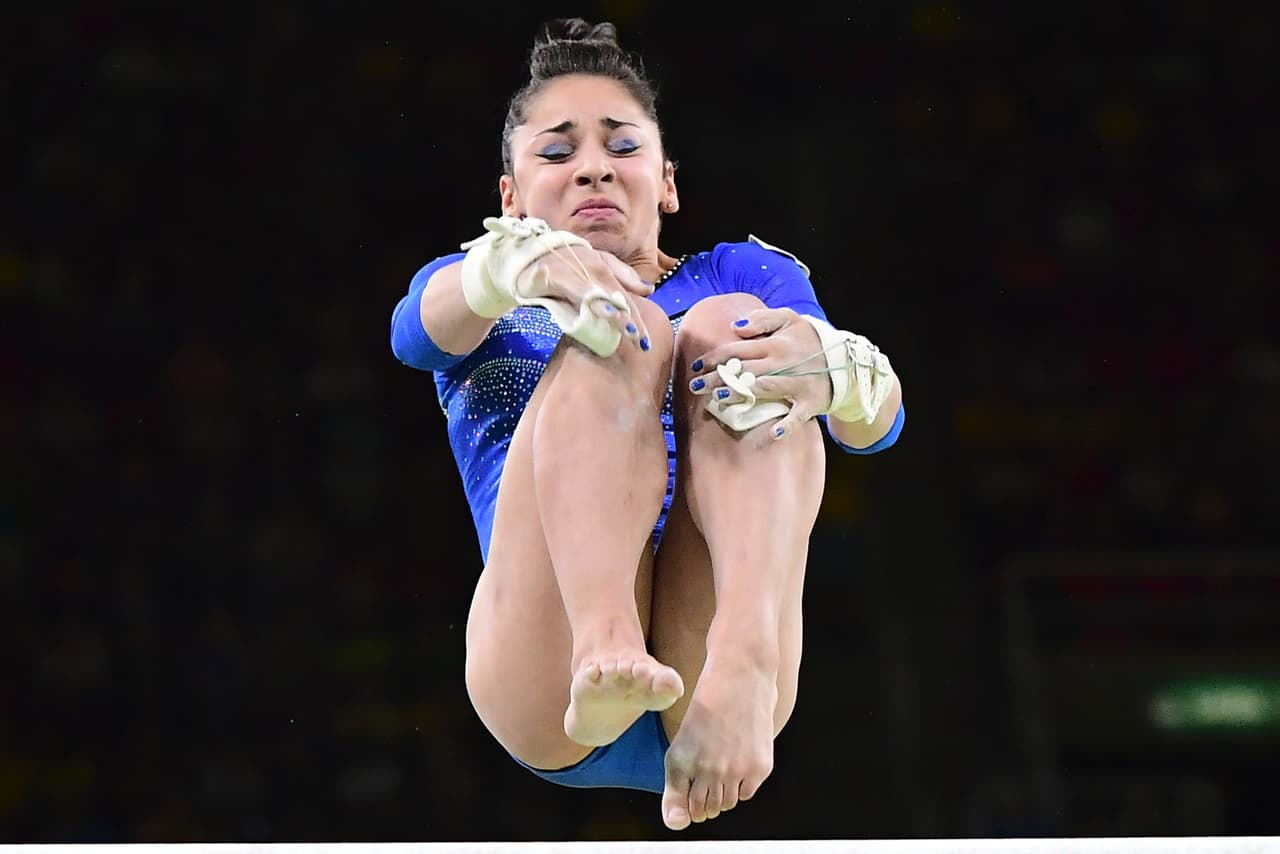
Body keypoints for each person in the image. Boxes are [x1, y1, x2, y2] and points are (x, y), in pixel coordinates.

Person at [389, 18, 905, 831]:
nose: (592, 167)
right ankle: (607, 640)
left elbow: (873, 428)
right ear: (510, 198)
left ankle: (744, 657)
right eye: (556, 153)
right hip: (548, 670)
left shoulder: (743, 273)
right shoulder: (482, 292)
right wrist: (507, 270)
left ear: (666, 182)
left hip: (718, 660)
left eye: (621, 147)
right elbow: (414, 332)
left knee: (735, 327)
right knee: (619, 325)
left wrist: (840, 369)